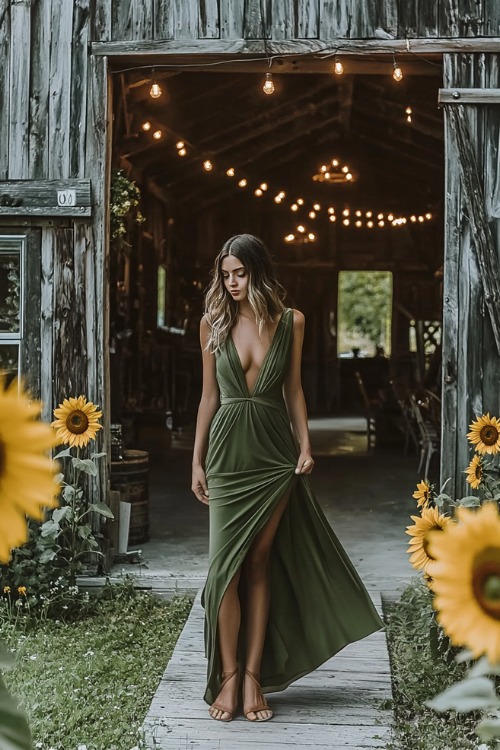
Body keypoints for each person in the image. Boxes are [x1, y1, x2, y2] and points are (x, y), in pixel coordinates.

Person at [191, 234, 383, 723]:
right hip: (228, 455)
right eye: (226, 274)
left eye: (240, 273)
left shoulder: (291, 322)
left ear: (257, 271)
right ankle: (228, 674)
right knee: (224, 571)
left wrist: (305, 444)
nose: (232, 283)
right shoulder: (212, 323)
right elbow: (209, 398)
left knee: (258, 563)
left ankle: (252, 677)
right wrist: (195, 461)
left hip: (274, 456)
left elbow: (294, 390)